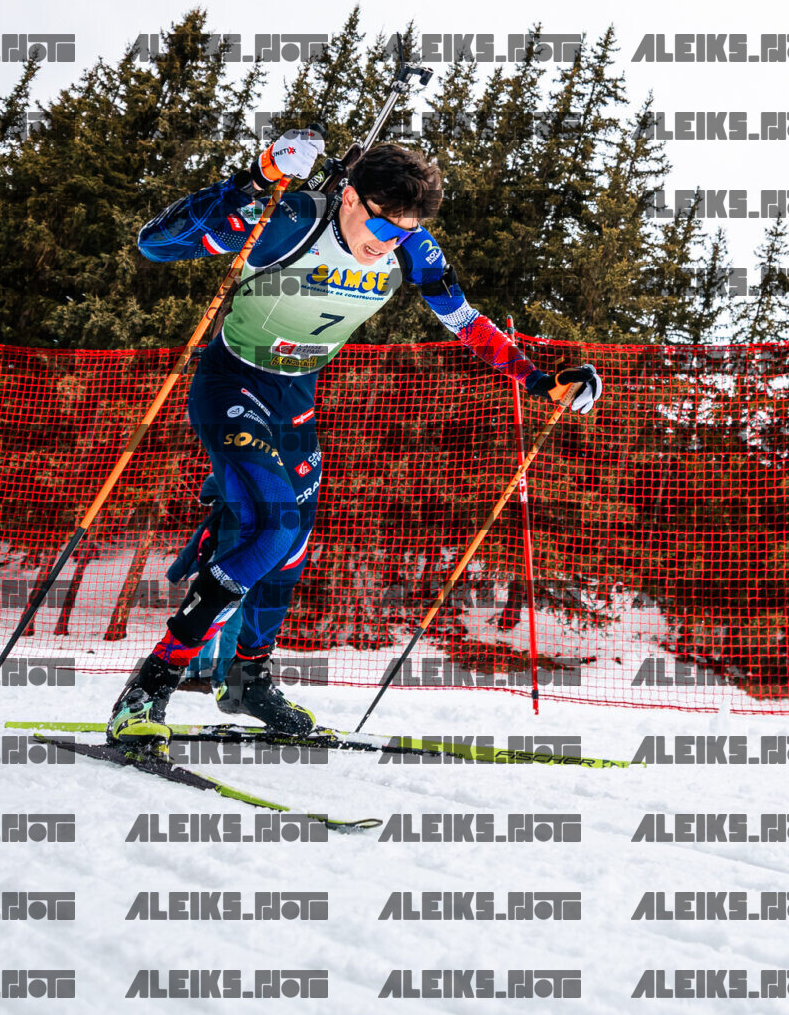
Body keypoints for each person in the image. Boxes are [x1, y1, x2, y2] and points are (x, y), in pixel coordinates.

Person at [105, 130, 602, 748]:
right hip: (233, 384)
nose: (389, 243)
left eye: (404, 231)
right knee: (274, 528)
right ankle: (148, 688)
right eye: (382, 225)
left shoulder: (410, 246)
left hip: (294, 403)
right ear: (348, 196)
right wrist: (258, 177)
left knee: (290, 552)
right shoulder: (291, 223)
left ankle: (248, 679)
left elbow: (463, 319)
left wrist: (539, 381)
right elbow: (156, 243)